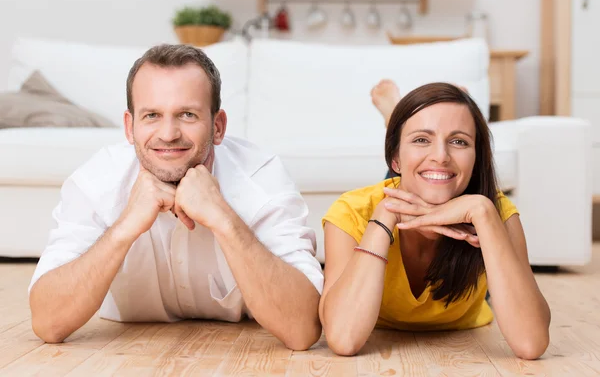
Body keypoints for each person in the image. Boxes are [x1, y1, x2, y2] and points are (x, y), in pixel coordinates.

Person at [28, 44, 323, 350]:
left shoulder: (262, 179)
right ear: (130, 127)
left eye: (187, 114)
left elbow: (302, 329)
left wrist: (224, 218)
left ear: (218, 126)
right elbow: (48, 321)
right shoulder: (96, 181)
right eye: (152, 115)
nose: (168, 133)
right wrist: (124, 227)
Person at [319, 81, 550, 359]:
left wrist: (482, 211)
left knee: (425, 176)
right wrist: (385, 214)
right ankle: (399, 119)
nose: (441, 155)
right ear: (393, 157)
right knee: (414, 181)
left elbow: (531, 343)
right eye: (422, 139)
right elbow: (343, 339)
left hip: (471, 306)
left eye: (459, 141)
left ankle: (408, 126)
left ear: (477, 158)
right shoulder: (351, 211)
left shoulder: (495, 211)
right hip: (396, 188)